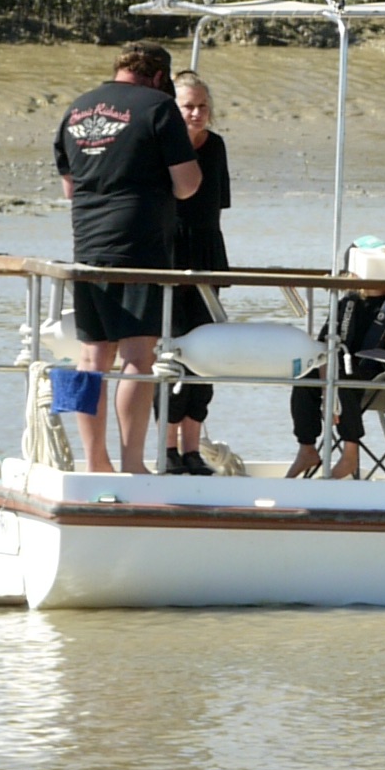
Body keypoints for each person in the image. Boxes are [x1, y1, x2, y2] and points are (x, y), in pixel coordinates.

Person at [51, 42, 201, 476]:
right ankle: (133, 463)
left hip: (87, 245)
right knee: (138, 356)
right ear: (159, 77)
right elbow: (187, 184)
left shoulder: (76, 109)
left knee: (90, 358)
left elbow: (69, 188)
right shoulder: (158, 107)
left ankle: (95, 461)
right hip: (140, 245)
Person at [159, 71, 233, 475]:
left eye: (202, 106)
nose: (197, 113)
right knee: (172, 352)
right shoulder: (161, 145)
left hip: (207, 252)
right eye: (188, 106)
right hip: (170, 254)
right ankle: (167, 448)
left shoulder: (216, 145)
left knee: (205, 354)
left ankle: (192, 448)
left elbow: (217, 203)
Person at [288, 285, 385, 478]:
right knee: (306, 377)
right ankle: (307, 448)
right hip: (343, 371)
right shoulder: (346, 303)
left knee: (343, 378)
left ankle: (350, 455)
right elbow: (324, 347)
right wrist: (328, 393)